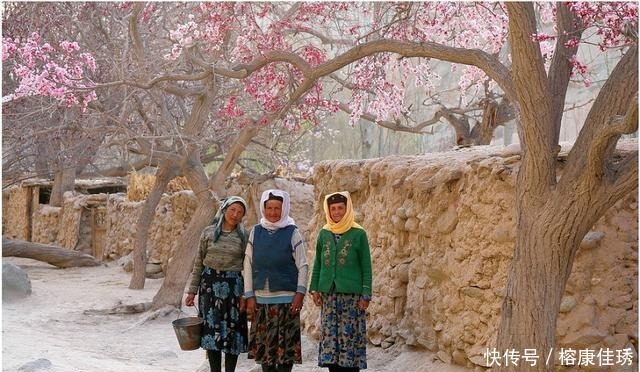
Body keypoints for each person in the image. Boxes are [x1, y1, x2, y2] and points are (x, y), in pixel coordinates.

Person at [243, 189, 308, 372]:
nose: (273, 213)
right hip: (261, 302)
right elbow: (247, 263)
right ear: (264, 208)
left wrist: (300, 294)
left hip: (287, 302)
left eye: (277, 209)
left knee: (285, 353)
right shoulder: (256, 232)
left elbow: (303, 265)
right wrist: (249, 295)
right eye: (269, 208)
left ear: (284, 209)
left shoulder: (292, 232)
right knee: (265, 352)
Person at [309, 191, 372, 372]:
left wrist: (366, 293)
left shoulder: (358, 233)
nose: (337, 212)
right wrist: (315, 289)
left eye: (340, 208)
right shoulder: (324, 233)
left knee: (349, 342)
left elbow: (366, 267)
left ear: (347, 209)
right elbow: (318, 263)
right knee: (331, 344)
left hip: (352, 299)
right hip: (329, 297)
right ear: (328, 210)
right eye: (333, 208)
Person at [185, 196, 249, 372]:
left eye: (240, 212)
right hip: (209, 287)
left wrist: (246, 294)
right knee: (212, 331)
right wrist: (192, 291)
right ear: (224, 209)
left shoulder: (245, 236)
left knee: (232, 331)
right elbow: (199, 263)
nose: (235, 215)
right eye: (232, 210)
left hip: (234, 288)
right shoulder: (208, 232)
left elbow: (249, 266)